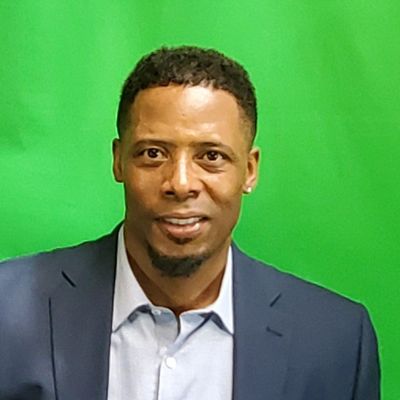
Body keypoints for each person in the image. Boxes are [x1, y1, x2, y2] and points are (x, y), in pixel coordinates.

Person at [0, 46, 380, 400]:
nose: (180, 184)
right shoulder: (8, 308)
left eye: (211, 156)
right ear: (118, 161)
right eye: (153, 153)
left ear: (249, 170)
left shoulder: (337, 342)